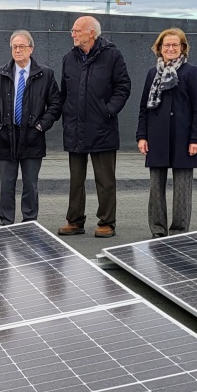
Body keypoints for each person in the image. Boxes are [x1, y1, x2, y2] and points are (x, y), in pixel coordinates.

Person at [58, 15, 131, 238]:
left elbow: (123, 86)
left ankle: (107, 222)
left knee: (105, 180)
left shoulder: (112, 55)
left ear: (91, 32)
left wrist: (108, 111)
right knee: (76, 180)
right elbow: (65, 92)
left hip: (102, 127)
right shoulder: (69, 58)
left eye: (76, 30)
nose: (73, 34)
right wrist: (66, 114)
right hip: (75, 127)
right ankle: (75, 221)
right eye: (73, 30)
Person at [0, 30, 61, 225]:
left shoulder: (45, 74)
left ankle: (29, 221)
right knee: (7, 184)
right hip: (6, 136)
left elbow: (55, 104)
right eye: (14, 47)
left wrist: (41, 126)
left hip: (33, 136)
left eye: (22, 46)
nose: (18, 50)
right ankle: (6, 221)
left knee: (30, 184)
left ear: (31, 49)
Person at [137, 28, 197, 238]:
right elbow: (143, 108)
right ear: (159, 48)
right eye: (167, 45)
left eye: (176, 45)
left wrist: (196, 138)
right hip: (156, 138)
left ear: (183, 48)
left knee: (182, 191)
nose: (171, 48)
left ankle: (179, 232)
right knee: (156, 190)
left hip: (184, 139)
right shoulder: (152, 73)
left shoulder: (191, 72)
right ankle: (158, 231)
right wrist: (142, 136)